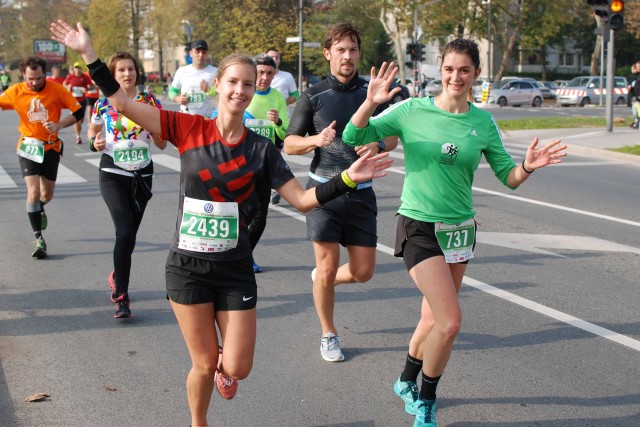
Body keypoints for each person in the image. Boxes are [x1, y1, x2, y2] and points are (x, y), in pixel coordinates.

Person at [51, 19, 391, 427]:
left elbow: (302, 199)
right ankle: (199, 422)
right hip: (187, 267)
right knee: (201, 361)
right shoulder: (187, 127)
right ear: (218, 85)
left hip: (233, 268)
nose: (240, 90)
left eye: (248, 85)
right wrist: (89, 54)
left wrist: (349, 177)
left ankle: (221, 368)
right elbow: (122, 105)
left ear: (253, 92)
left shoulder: (262, 150)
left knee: (238, 366)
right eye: (233, 82)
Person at [342, 39, 567, 427]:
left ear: (476, 74)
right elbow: (353, 137)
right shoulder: (412, 110)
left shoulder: (482, 123)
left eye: (464, 70)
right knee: (450, 321)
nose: (455, 77)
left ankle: (405, 381)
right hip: (418, 225)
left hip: (459, 231)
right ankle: (427, 400)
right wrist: (370, 102)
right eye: (449, 69)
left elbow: (507, 178)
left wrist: (528, 166)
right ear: (439, 71)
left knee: (432, 319)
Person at [284, 22, 398, 363]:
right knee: (329, 262)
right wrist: (315, 140)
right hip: (324, 192)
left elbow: (392, 137)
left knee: (363, 272)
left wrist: (377, 144)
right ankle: (328, 333)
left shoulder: (372, 93)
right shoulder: (314, 95)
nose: (347, 56)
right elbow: (290, 143)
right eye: (340, 50)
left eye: (353, 49)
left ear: (359, 53)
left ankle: (323, 279)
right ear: (328, 54)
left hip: (362, 193)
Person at [87, 51, 167, 318]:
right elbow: (92, 131)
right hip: (112, 170)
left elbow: (162, 142)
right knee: (123, 232)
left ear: (137, 72)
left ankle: (117, 273)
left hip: (141, 174)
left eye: (130, 69)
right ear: (112, 74)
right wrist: (94, 142)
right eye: (120, 70)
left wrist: (157, 132)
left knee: (130, 235)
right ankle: (122, 294)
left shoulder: (149, 100)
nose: (126, 74)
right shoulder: (103, 103)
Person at [0, 56, 84, 258]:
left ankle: (38, 208)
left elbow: (78, 111)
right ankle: (39, 239)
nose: (35, 82)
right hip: (28, 147)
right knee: (33, 190)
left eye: (38, 78)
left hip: (51, 148)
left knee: (46, 195)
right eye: (31, 78)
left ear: (44, 74)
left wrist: (60, 125)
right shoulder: (15, 91)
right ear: (23, 75)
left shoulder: (57, 89)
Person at [168, 39, 218, 117]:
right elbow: (172, 91)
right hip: (187, 118)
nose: (201, 55)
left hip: (208, 119)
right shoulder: (182, 71)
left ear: (207, 54)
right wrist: (177, 98)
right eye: (197, 52)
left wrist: (209, 90)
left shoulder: (215, 72)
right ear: (191, 53)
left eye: (204, 52)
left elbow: (222, 94)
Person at [64, 61, 94, 143]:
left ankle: (79, 126)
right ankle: (78, 137)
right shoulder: (70, 77)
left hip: (82, 100)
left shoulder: (85, 77)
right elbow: (64, 84)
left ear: (81, 69)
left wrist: (86, 89)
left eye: (79, 68)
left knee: (80, 120)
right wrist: (68, 87)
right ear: (74, 69)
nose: (77, 70)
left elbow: (92, 86)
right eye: (76, 68)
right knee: (75, 119)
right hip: (73, 101)